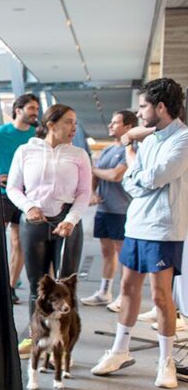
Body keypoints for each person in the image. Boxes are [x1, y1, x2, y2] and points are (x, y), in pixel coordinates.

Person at [91, 78, 188, 388]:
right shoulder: (148, 143)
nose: (140, 113)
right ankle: (120, 350)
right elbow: (133, 184)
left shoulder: (183, 140)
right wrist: (139, 176)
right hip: (136, 224)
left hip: (163, 229)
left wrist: (136, 173)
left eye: (143, 106)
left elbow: (157, 177)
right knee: (128, 288)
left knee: (160, 296)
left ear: (160, 107)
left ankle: (165, 362)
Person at [6, 104, 92, 360]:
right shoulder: (26, 151)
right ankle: (36, 337)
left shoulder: (79, 155)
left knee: (66, 286)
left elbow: (84, 193)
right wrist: (28, 207)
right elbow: (13, 188)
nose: (73, 127)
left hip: (67, 223)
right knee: (38, 286)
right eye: (68, 122)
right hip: (34, 222)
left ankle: (63, 345)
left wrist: (72, 220)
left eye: (75, 122)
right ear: (51, 124)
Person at [81, 110, 134, 307]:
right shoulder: (107, 150)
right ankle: (104, 292)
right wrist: (92, 193)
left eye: (115, 122)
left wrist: (93, 169)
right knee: (106, 252)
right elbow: (95, 177)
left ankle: (124, 296)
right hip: (104, 209)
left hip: (121, 210)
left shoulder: (131, 151)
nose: (110, 126)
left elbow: (115, 175)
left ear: (128, 126)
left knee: (123, 254)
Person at [0, 94, 40, 305]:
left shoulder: (36, 136)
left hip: (26, 197)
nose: (35, 112)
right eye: (31, 108)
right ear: (18, 110)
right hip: (3, 195)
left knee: (19, 241)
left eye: (36, 108)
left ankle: (10, 287)